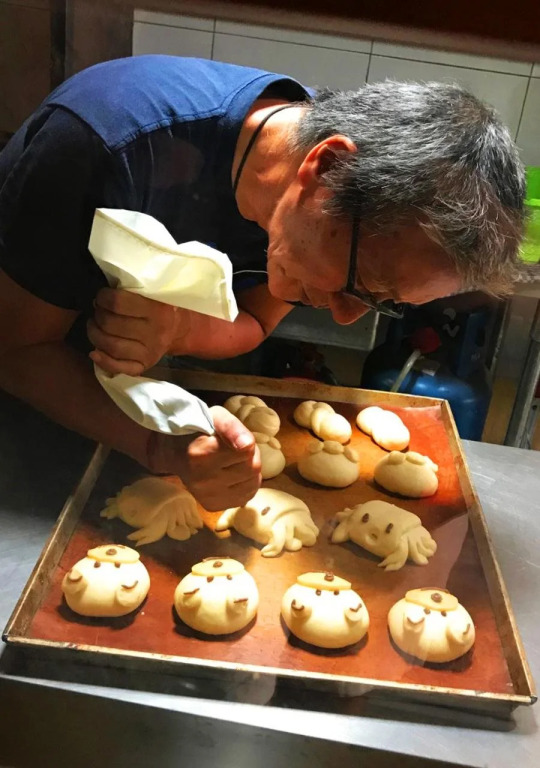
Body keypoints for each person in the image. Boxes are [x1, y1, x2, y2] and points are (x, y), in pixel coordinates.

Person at [0, 55, 527, 510]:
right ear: (325, 168)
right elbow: (17, 350)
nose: (344, 315)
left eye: (384, 302)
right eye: (362, 282)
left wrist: (179, 329)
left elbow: (253, 318)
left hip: (115, 398)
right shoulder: (106, 143)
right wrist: (156, 446)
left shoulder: (319, 193)